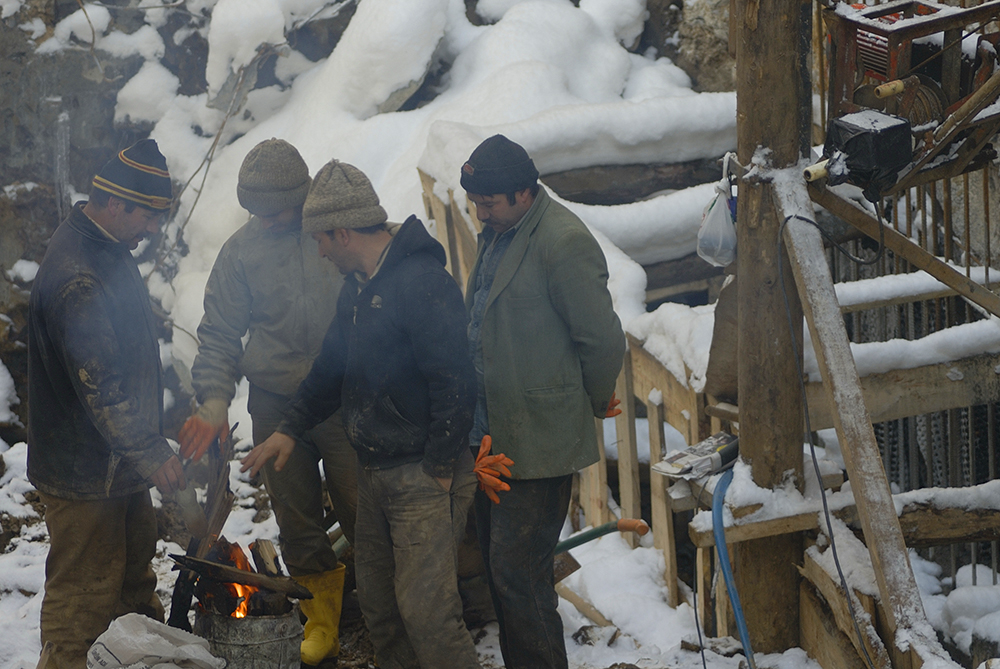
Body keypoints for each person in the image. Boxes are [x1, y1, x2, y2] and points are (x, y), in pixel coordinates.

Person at [242, 159, 482, 669]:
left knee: (428, 613)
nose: (319, 251)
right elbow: (331, 370)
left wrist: (441, 467)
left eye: (322, 240)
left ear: (343, 232)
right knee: (381, 607)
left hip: (423, 474)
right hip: (375, 472)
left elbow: (456, 383)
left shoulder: (423, 283)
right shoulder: (357, 289)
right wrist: (289, 429)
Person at [177, 138, 358, 666]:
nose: (266, 220)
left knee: (364, 510)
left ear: (302, 197)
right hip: (276, 404)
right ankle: (320, 619)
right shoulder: (242, 252)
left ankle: (383, 607)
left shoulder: (336, 233)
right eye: (255, 211)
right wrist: (214, 400)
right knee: (297, 518)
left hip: (346, 400)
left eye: (275, 210)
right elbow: (218, 334)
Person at [462, 134, 626, 669]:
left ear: (524, 193)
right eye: (476, 201)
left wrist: (596, 401)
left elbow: (601, 339)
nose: (480, 212)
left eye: (489, 202)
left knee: (520, 576)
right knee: (501, 571)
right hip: (491, 432)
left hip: (537, 437)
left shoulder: (563, 241)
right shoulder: (499, 232)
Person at [27, 139, 184, 669]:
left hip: (117, 465)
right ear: (116, 203)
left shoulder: (104, 245)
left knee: (131, 587)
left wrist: (141, 453)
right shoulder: (79, 275)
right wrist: (151, 450)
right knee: (82, 603)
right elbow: (102, 386)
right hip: (84, 472)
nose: (153, 229)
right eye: (149, 216)